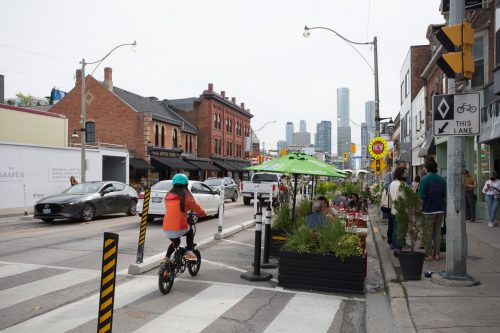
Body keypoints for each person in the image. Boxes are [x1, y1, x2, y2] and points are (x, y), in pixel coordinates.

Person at [163, 174, 206, 263]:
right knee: (190, 231)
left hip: (166, 228)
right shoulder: (186, 196)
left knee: (176, 242)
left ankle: (166, 258)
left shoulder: (168, 195)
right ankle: (189, 252)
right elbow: (196, 207)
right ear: (186, 184)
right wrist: (202, 214)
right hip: (178, 227)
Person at [418, 158, 446, 261]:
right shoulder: (442, 180)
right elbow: (445, 195)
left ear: (426, 169)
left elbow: (421, 196)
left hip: (428, 210)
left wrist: (418, 209)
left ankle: (429, 254)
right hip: (440, 209)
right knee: (438, 232)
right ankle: (437, 254)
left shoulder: (424, 180)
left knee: (428, 232)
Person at [390, 167, 406, 256]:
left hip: (394, 209)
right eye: (405, 172)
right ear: (401, 174)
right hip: (402, 209)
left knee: (395, 229)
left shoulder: (392, 184)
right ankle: (398, 248)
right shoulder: (402, 185)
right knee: (401, 230)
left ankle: (394, 246)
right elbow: (405, 198)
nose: (406, 174)